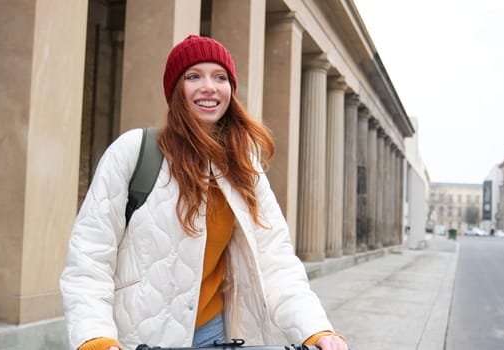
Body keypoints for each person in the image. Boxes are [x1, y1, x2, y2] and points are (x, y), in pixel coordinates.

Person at [60, 35, 349, 350]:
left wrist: (316, 330)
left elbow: (275, 260)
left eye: (220, 77)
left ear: (230, 90)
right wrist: (95, 339)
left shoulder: (245, 167)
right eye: (194, 76)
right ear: (175, 91)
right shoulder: (134, 151)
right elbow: (89, 257)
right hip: (137, 338)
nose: (209, 86)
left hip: (216, 336)